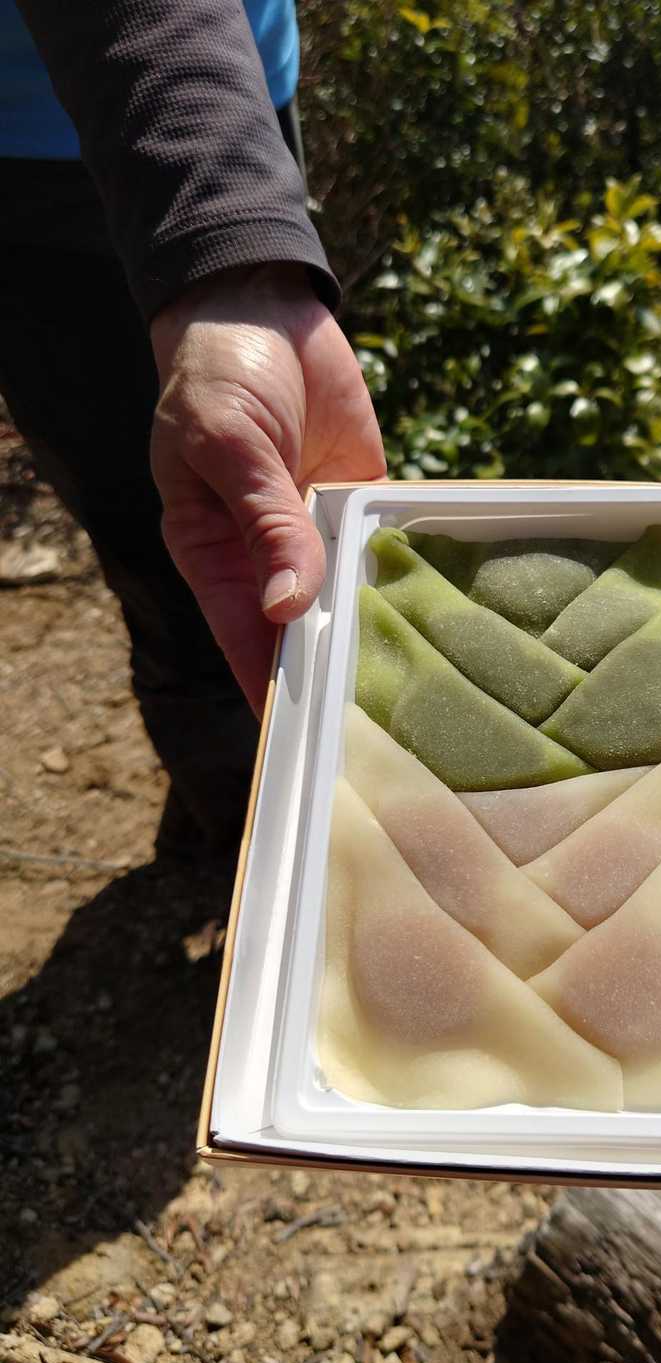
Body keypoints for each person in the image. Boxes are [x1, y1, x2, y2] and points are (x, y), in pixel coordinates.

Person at [1, 0, 386, 853]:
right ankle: (228, 820)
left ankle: (237, 795)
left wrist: (239, 256)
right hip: (27, 174)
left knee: (254, 526)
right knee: (159, 549)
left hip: (231, 85)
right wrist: (231, 258)